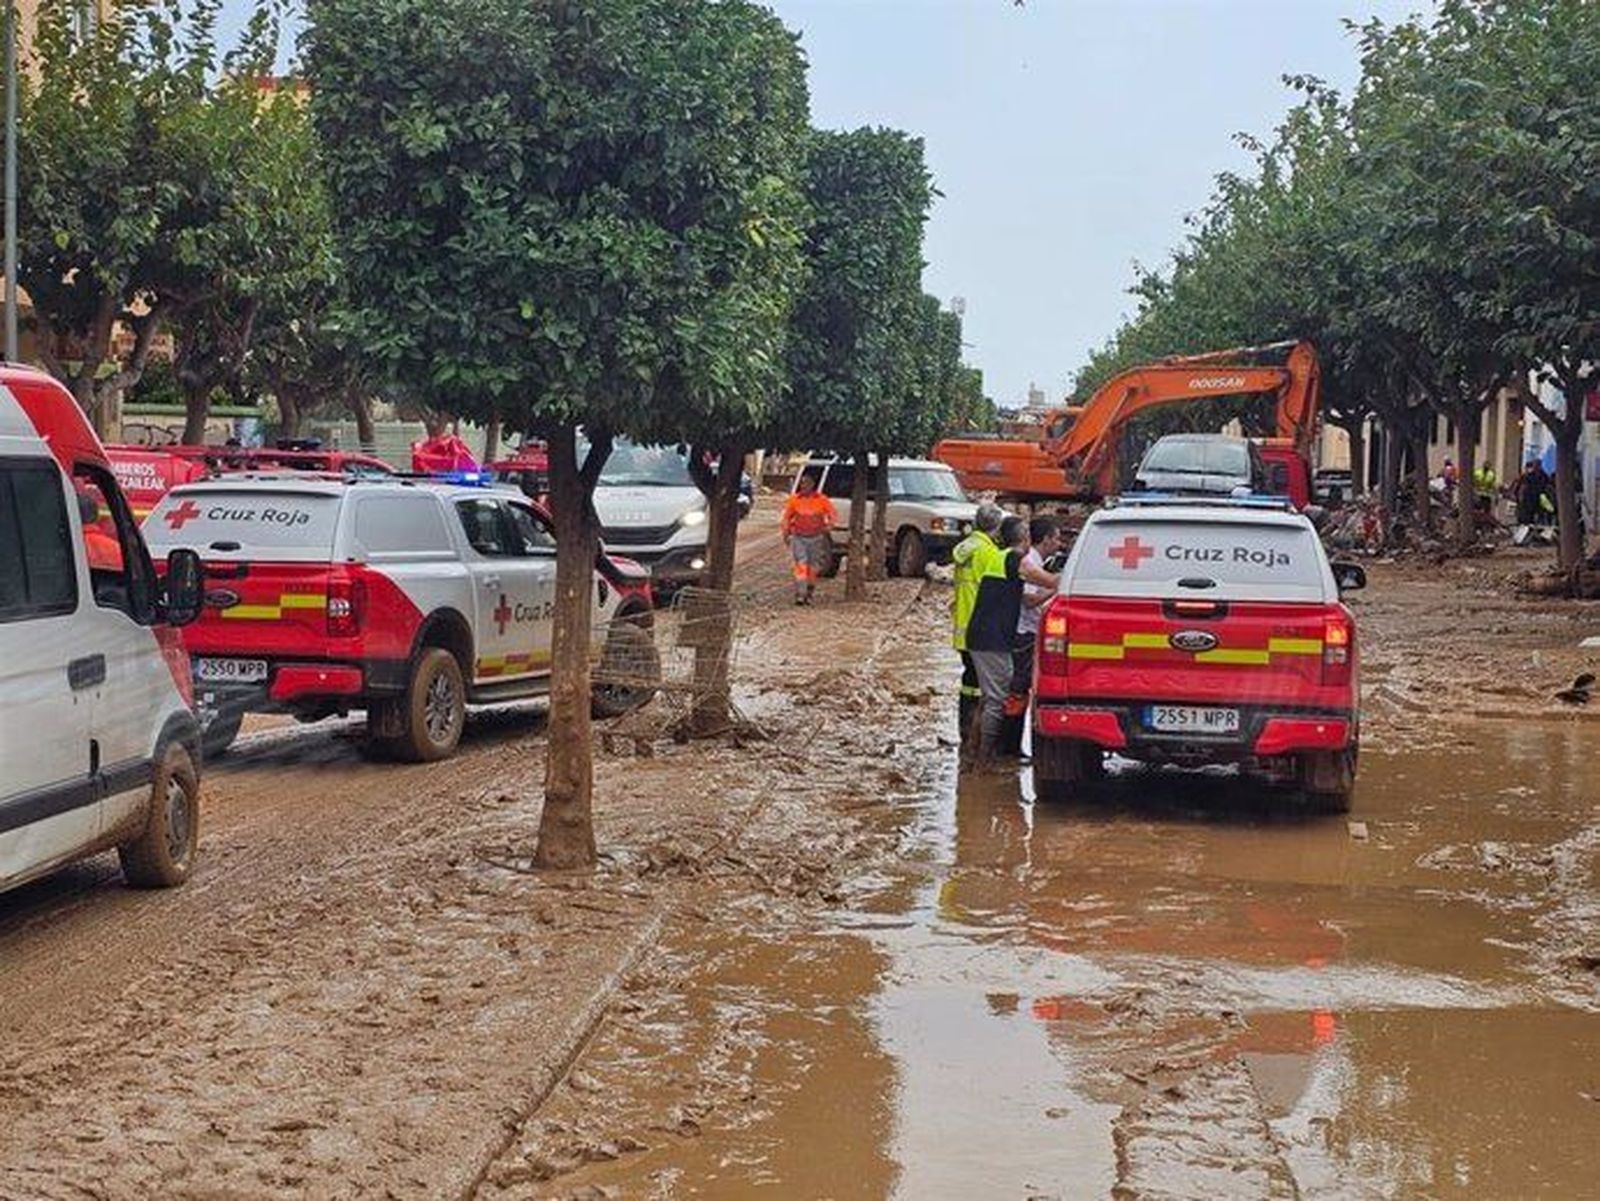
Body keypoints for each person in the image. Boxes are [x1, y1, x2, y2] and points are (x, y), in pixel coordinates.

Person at [958, 509, 1059, 768]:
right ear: (1024, 538)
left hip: (983, 635)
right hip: (991, 638)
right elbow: (1047, 580)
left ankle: (972, 751)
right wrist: (1069, 579)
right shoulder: (1015, 560)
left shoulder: (999, 557)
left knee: (988, 697)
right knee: (997, 698)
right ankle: (985, 759)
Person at [1002, 514, 1063, 757]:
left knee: (1023, 690)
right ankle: (1008, 747)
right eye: (1057, 539)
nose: (1059, 543)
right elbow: (1027, 600)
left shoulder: (1039, 562)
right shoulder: (1029, 562)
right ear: (1046, 539)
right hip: (1023, 635)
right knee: (1018, 690)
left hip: (1029, 633)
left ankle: (1010, 746)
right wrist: (1053, 589)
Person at [950, 503, 1003, 752]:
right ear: (996, 527)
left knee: (969, 681)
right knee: (984, 684)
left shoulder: (965, 548)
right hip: (980, 630)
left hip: (962, 626)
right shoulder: (988, 553)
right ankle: (976, 738)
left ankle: (965, 731)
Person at [780, 473, 837, 605]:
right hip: (799, 537)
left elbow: (832, 514)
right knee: (801, 564)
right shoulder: (795, 500)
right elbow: (786, 518)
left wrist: (829, 526)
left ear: (812, 485)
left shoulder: (822, 500)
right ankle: (800, 593)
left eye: (806, 483)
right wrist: (786, 533)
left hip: (816, 537)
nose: (803, 486)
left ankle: (809, 592)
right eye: (802, 483)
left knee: (813, 566)